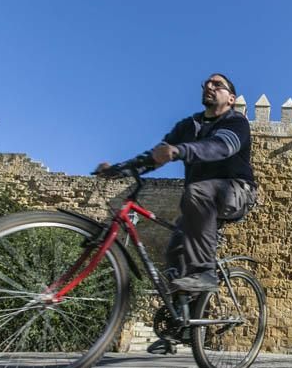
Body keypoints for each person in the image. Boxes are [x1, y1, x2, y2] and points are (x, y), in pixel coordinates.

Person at [95, 73, 256, 292]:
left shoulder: (236, 122)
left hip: (237, 192)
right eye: (206, 83)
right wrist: (118, 170)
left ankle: (203, 272)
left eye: (217, 85)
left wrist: (180, 150)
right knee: (176, 250)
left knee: (198, 191)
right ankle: (184, 312)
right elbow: (156, 155)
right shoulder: (187, 126)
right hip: (200, 199)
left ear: (231, 99)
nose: (209, 86)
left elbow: (221, 146)